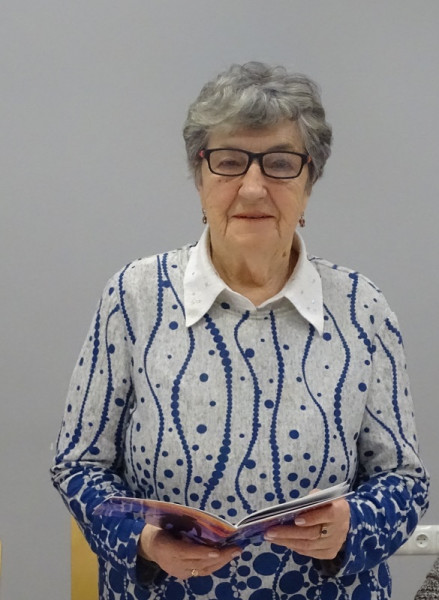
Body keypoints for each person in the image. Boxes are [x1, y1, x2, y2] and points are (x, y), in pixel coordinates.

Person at [51, 61, 429, 600]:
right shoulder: (134, 296)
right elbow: (77, 464)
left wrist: (355, 523)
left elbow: (405, 481)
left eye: (280, 164)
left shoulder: (361, 306)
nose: (252, 188)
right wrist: (144, 540)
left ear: (309, 182)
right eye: (229, 162)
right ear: (200, 177)